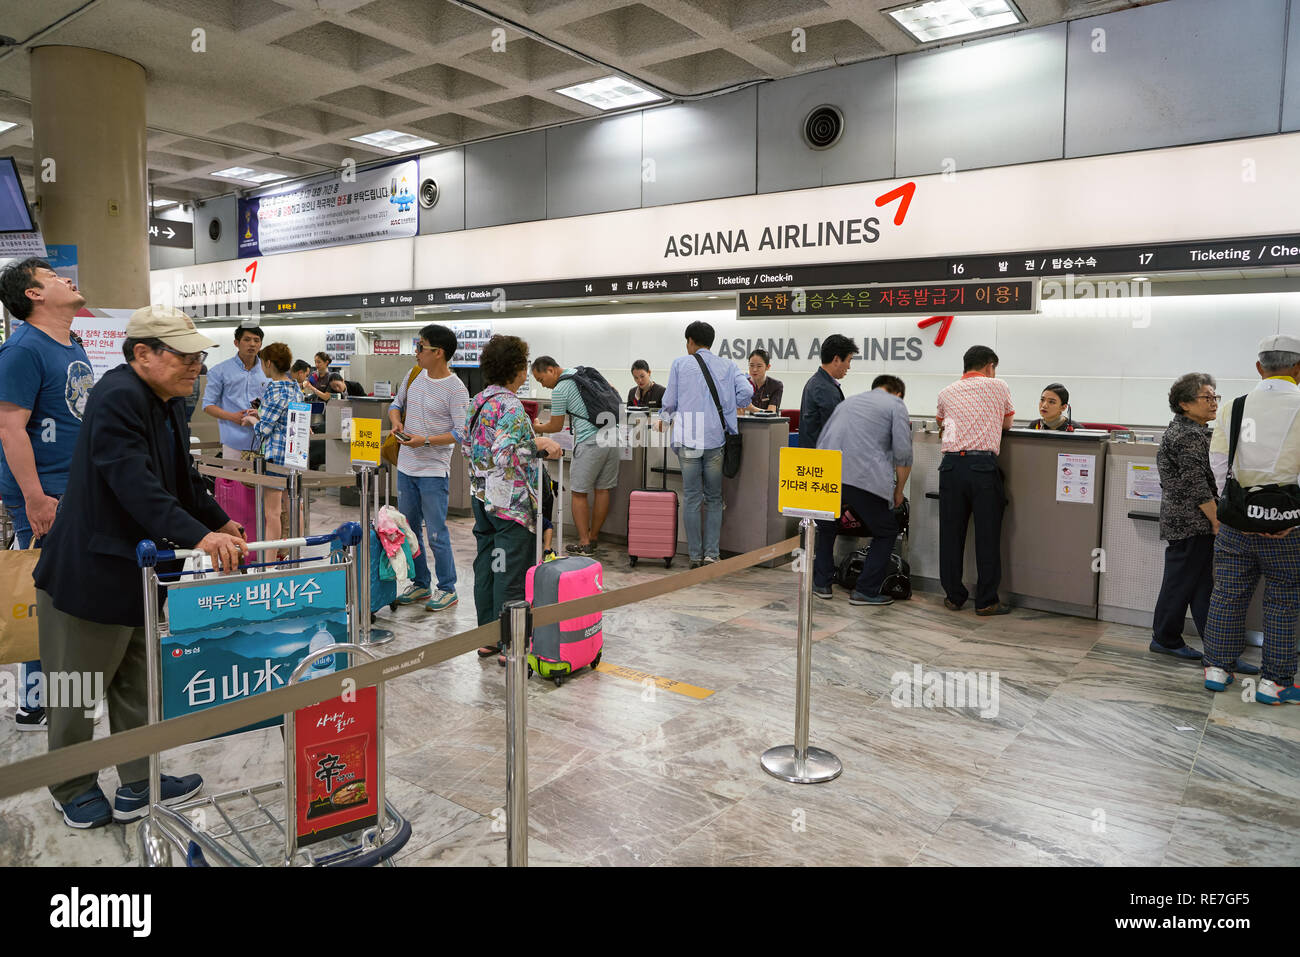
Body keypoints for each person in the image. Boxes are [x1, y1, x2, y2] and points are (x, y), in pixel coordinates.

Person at [32, 305, 248, 829]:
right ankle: (71, 785)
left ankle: (137, 780)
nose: (197, 365)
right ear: (142, 353)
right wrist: (200, 536)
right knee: (76, 687)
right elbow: (134, 484)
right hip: (88, 573)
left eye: (200, 355)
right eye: (185, 355)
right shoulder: (117, 396)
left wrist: (221, 520)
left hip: (141, 572)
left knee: (135, 681)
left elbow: (182, 477)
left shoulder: (168, 398)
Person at [0, 258, 92, 732]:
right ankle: (36, 701)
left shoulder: (70, 342)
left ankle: (52, 696)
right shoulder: (22, 349)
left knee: (62, 596)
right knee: (42, 597)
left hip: (74, 492)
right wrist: (35, 498)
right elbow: (10, 430)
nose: (67, 279)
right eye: (54, 277)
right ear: (33, 294)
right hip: (45, 496)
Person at [1203, 336, 1300, 704]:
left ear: (1259, 368)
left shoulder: (1234, 406)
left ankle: (1217, 668)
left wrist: (1237, 506)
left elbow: (1218, 463)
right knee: (1282, 601)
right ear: (1298, 368)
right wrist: (1288, 514)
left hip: (1237, 521)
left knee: (1227, 594)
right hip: (1287, 527)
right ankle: (1273, 683)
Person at [464, 335, 561, 655]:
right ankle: (512, 644)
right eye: (523, 364)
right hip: (511, 505)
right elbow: (506, 454)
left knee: (488, 567)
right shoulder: (510, 405)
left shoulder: (478, 400)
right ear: (515, 368)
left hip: (482, 498)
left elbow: (467, 447)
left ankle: (488, 637)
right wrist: (540, 445)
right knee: (511, 572)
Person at [387, 324, 469, 612]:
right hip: (406, 468)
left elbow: (461, 432)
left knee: (436, 532)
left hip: (433, 470)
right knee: (409, 531)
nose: (416, 352)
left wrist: (426, 441)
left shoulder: (457, 389)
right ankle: (421, 583)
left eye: (421, 347)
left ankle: (447, 587)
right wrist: (397, 422)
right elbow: (395, 405)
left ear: (439, 353)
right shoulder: (413, 376)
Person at [660, 320, 753, 568]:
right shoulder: (728, 365)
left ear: (690, 341)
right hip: (714, 439)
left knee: (691, 497)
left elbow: (669, 401)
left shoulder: (680, 364)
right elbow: (747, 393)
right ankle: (712, 554)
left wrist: (664, 418)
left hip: (689, 439)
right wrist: (729, 406)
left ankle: (694, 556)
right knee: (713, 497)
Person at [813, 375, 912, 606]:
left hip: (829, 474)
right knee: (887, 530)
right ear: (897, 393)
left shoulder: (848, 402)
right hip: (864, 478)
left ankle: (822, 584)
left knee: (827, 527)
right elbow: (903, 454)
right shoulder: (895, 404)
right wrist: (899, 490)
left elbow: (824, 439)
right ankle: (866, 590)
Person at [935, 345, 1015, 616]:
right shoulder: (999, 386)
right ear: (990, 366)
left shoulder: (945, 392)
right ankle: (986, 601)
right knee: (987, 535)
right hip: (982, 466)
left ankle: (954, 596)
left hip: (950, 467)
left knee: (950, 534)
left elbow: (941, 423)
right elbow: (1007, 425)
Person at [531, 356, 620, 556]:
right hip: (613, 437)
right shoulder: (584, 373)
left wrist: (537, 427)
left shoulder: (561, 389)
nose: (543, 385)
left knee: (579, 492)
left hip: (590, 440)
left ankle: (584, 542)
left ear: (551, 370)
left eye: (541, 379)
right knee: (603, 490)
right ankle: (594, 537)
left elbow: (555, 425)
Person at [243, 342, 297, 543]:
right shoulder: (294, 387)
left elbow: (264, 430)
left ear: (268, 363)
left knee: (272, 513)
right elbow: (284, 416)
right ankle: (294, 555)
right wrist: (261, 412)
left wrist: (252, 420)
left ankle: (270, 563)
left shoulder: (274, 389)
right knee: (293, 507)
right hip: (294, 455)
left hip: (276, 457)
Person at [202, 324, 267, 459]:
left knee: (263, 479)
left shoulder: (268, 370)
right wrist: (232, 417)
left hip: (265, 440)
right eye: (247, 339)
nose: (252, 344)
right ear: (236, 343)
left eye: (256, 340)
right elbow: (207, 405)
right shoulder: (220, 371)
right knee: (233, 480)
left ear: (261, 344)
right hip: (234, 441)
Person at [799, 334, 858, 448]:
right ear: (836, 360)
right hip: (824, 459)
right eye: (848, 361)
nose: (849, 367)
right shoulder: (824, 388)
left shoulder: (816, 382)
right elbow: (836, 431)